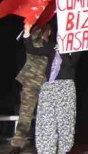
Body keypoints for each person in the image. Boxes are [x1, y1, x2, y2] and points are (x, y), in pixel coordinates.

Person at [10, 23, 55, 154]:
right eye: (44, 29)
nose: (45, 31)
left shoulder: (52, 44)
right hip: (30, 81)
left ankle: (44, 142)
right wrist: (31, 30)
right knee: (25, 113)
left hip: (45, 83)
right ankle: (17, 144)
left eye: (46, 29)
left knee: (45, 114)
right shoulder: (35, 39)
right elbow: (31, 44)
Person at [34, 42, 80, 154]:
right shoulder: (52, 46)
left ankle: (63, 150)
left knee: (65, 122)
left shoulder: (77, 47)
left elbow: (70, 63)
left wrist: (62, 49)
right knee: (46, 120)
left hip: (66, 87)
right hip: (49, 86)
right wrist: (26, 34)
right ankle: (46, 150)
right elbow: (33, 49)